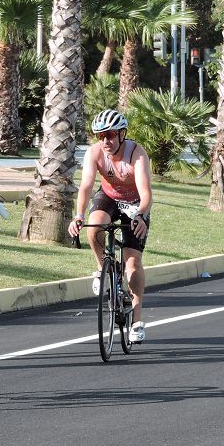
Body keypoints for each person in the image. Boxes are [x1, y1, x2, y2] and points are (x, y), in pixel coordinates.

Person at [68, 109, 153, 344]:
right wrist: (78, 215)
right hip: (109, 197)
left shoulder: (136, 154)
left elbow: (146, 194)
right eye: (101, 136)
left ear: (122, 134)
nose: (106, 141)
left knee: (132, 263)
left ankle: (136, 321)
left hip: (135, 204)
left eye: (111, 135)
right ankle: (101, 269)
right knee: (94, 227)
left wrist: (141, 216)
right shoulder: (95, 153)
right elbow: (85, 186)